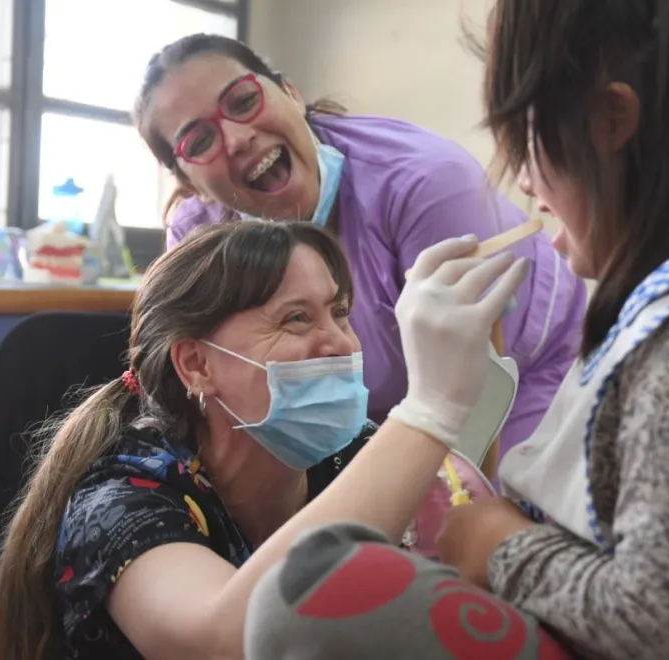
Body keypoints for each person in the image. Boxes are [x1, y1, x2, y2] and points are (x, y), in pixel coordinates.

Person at [241, 1, 669, 659]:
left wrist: (495, 541)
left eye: (521, 140)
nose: (525, 182)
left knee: (297, 591)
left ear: (612, 119)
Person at [0, 219, 539, 660]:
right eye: (297, 319)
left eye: (339, 313)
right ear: (196, 365)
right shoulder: (124, 502)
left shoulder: (352, 457)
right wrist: (431, 409)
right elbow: (224, 642)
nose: (340, 343)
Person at [134, 33, 587, 469]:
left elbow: (474, 393)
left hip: (524, 369)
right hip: (381, 415)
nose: (236, 138)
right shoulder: (201, 238)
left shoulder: (423, 182)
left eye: (243, 100)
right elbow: (211, 398)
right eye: (199, 142)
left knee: (476, 522)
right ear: (190, 182)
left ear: (291, 93)